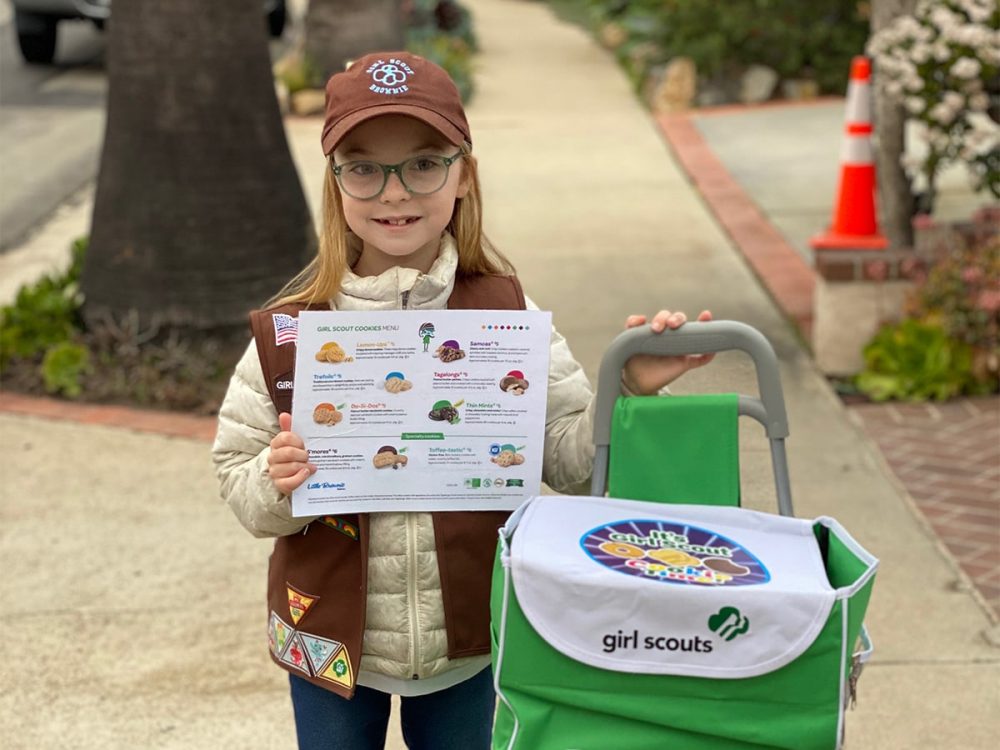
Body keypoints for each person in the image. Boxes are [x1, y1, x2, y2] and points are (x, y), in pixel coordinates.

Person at [212, 51, 713, 750]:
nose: (394, 193)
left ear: (464, 175)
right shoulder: (293, 331)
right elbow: (237, 475)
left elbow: (572, 461)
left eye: (423, 163)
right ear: (335, 184)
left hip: (470, 639)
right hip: (327, 633)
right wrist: (278, 477)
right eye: (363, 167)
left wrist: (629, 391)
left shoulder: (504, 317)